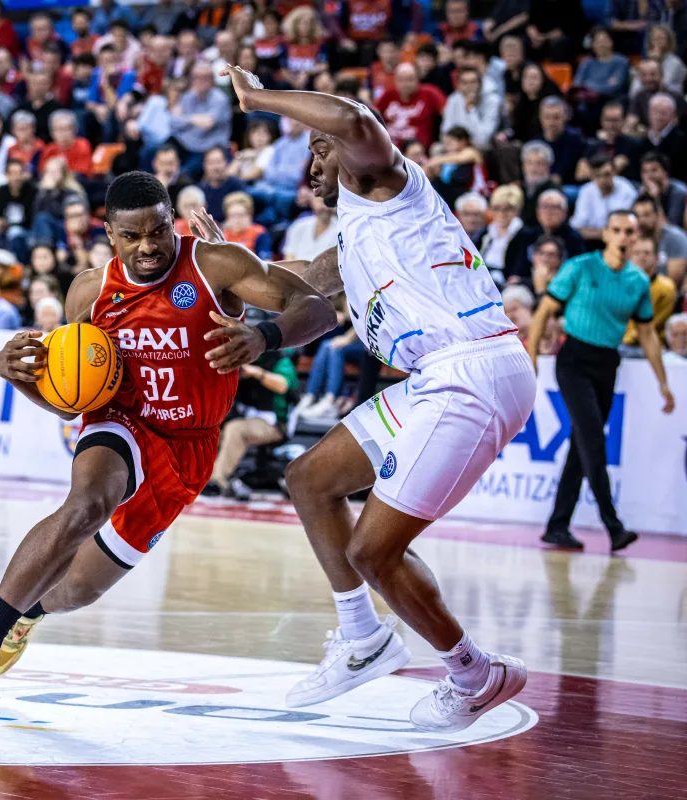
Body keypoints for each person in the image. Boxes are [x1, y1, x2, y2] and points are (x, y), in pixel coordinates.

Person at [0, 171, 335, 710]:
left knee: (80, 589)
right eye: (131, 236)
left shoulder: (215, 265)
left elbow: (317, 308)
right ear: (109, 234)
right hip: (120, 419)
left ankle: (29, 613)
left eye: (157, 231)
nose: (147, 246)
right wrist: (19, 377)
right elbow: (69, 400)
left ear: (172, 222)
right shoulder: (89, 290)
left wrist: (264, 336)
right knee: (87, 504)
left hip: (190, 445)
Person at [215, 66, 539, 732]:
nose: (313, 163)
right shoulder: (355, 238)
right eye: (309, 155)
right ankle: (362, 638)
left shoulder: (388, 188)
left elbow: (356, 120)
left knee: (372, 551)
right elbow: (304, 286)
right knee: (309, 479)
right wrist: (226, 267)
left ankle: (475, 674)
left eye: (320, 149)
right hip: (433, 380)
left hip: (470, 371)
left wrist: (260, 100)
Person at [527, 210, 675, 551]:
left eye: (629, 232)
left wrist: (663, 382)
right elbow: (544, 311)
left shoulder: (638, 281)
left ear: (636, 237)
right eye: (617, 230)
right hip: (574, 360)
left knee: (581, 447)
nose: (623, 237)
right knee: (593, 440)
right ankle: (614, 526)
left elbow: (648, 334)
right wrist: (532, 356)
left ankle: (557, 526)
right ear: (605, 234)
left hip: (607, 363)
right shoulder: (580, 267)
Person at [204, 349, 298, 501]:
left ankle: (216, 481)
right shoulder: (236, 358)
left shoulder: (280, 359)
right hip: (243, 415)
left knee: (236, 429)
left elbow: (282, 385)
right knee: (209, 426)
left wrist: (257, 373)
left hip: (275, 422)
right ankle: (196, 476)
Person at [569, 152, 639, 241]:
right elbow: (578, 227)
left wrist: (595, 232)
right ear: (591, 176)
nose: (602, 180)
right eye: (597, 176)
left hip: (621, 241)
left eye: (607, 174)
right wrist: (606, 233)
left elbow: (625, 227)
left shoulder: (627, 190)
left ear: (614, 172)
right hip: (591, 242)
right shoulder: (586, 191)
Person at [623, 235, 677, 346]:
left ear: (657, 258)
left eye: (647, 253)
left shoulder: (666, 287)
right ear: (629, 257)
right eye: (636, 253)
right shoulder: (620, 285)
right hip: (618, 343)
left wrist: (627, 339)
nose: (642, 257)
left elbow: (652, 325)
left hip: (652, 344)